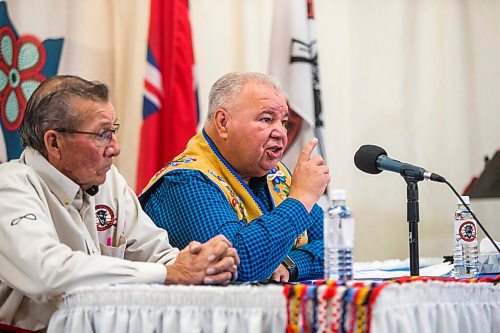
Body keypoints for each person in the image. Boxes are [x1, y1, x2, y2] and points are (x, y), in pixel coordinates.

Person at [0, 75, 239, 331]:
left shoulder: (108, 179)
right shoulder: (10, 187)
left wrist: (204, 263)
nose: (115, 148)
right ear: (54, 142)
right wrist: (169, 273)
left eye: (114, 131)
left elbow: (156, 254)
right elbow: (48, 273)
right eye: (103, 134)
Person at [140, 72, 330, 282]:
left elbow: (334, 247)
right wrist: (301, 198)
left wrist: (291, 264)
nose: (281, 133)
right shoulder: (186, 181)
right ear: (223, 123)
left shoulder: (277, 175)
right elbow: (239, 265)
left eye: (283, 122)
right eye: (266, 119)